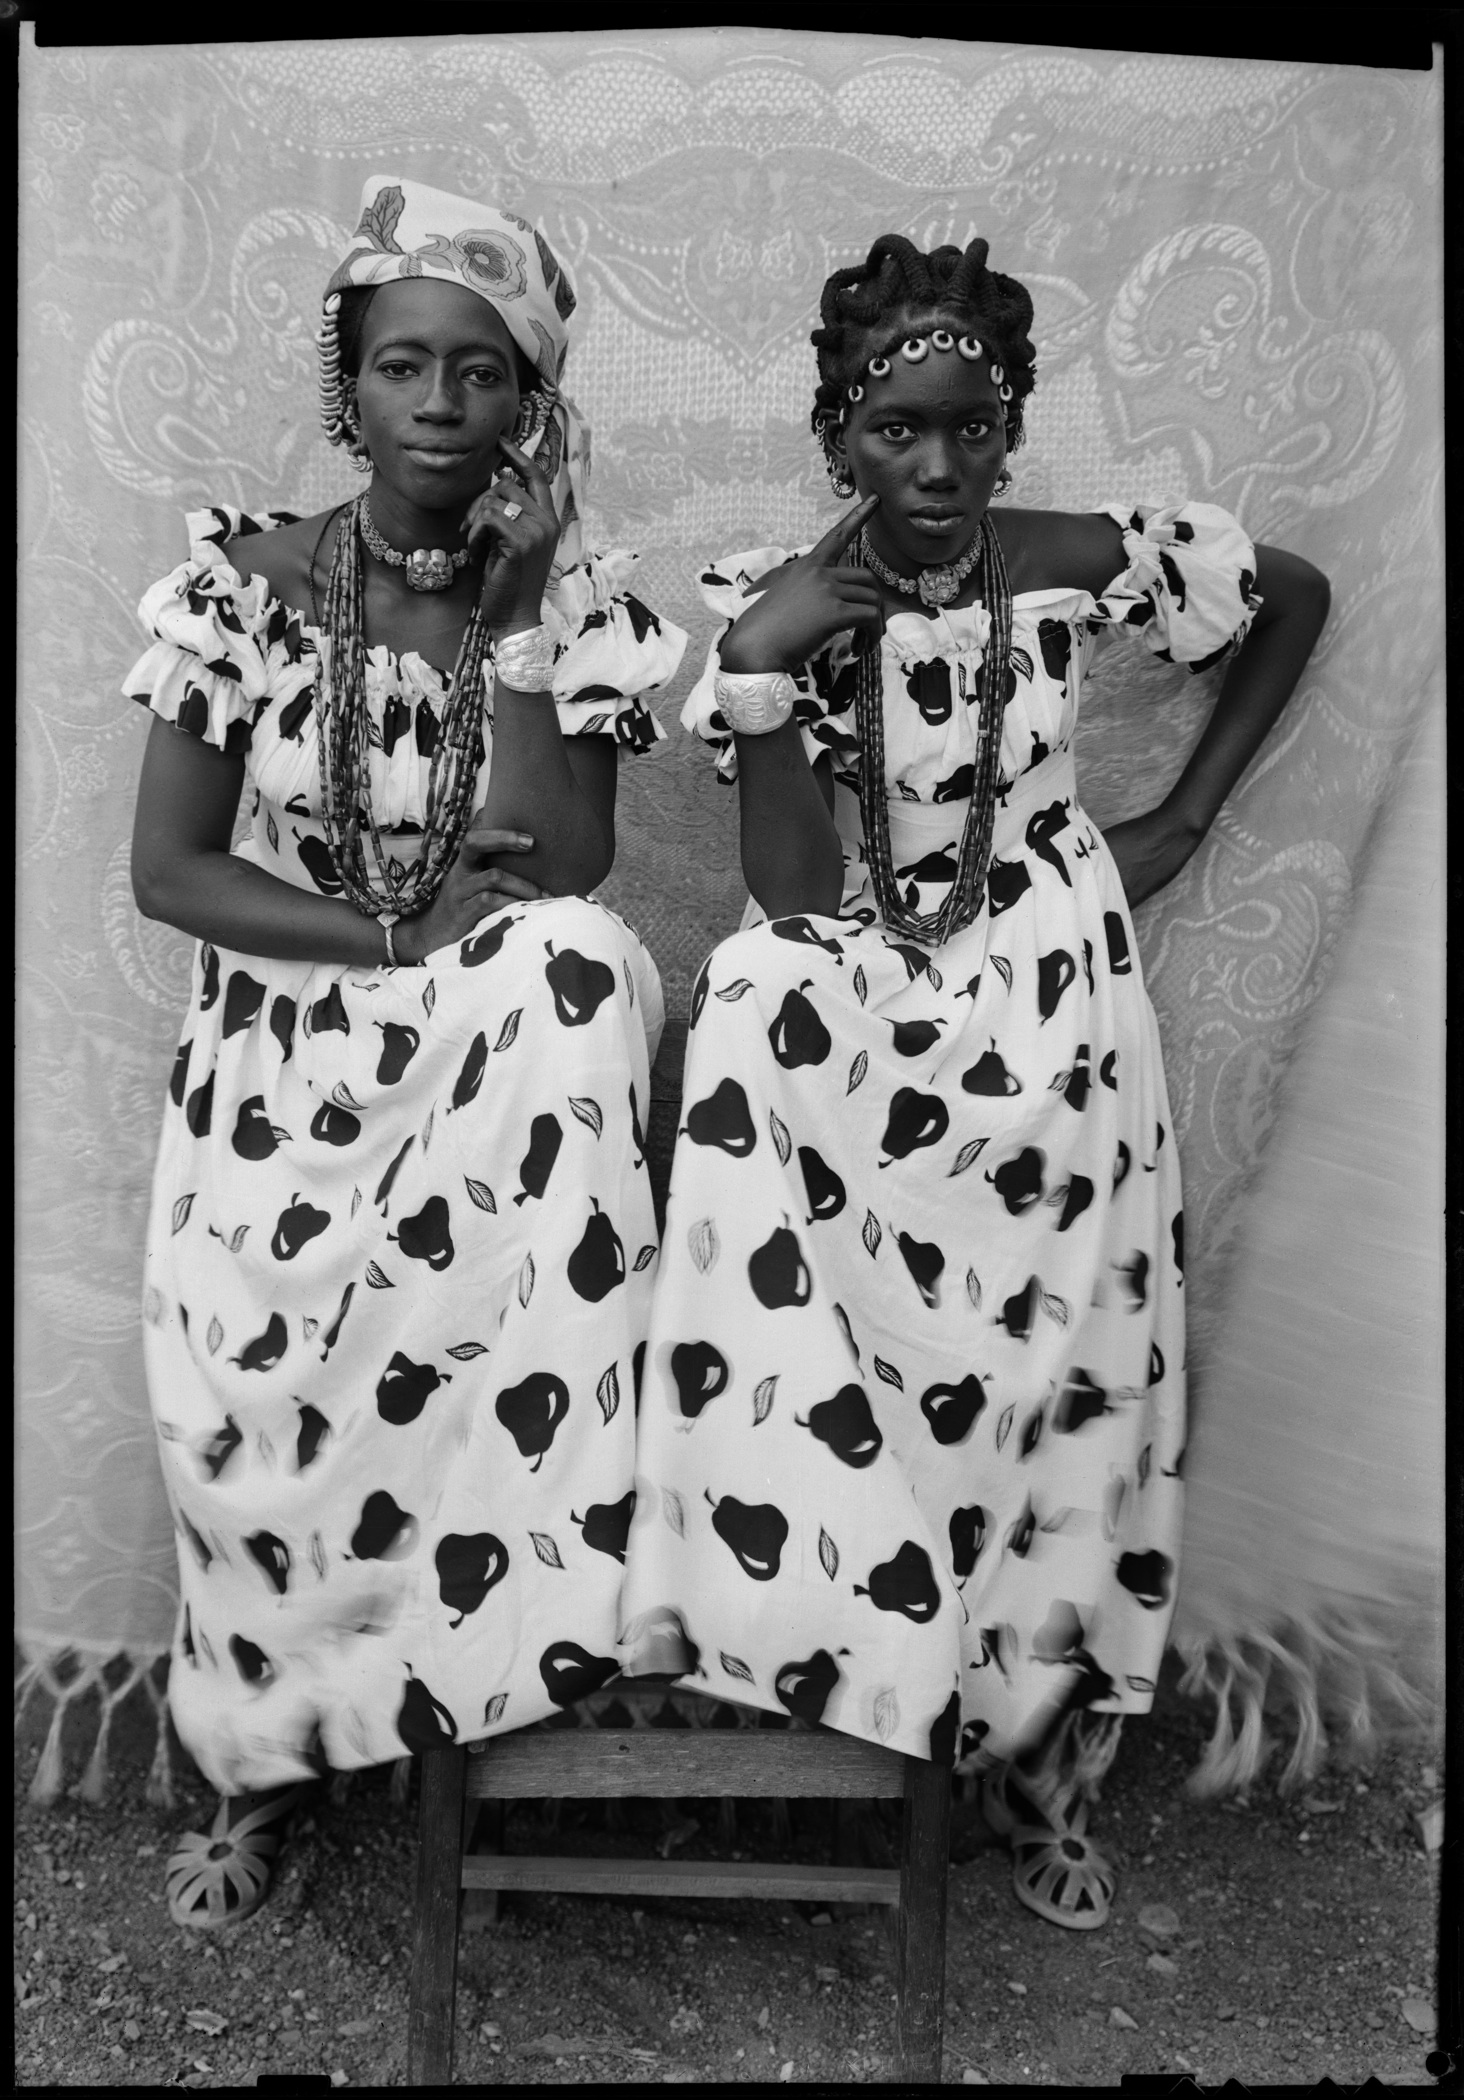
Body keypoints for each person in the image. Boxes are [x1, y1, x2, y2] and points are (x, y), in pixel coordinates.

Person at [618, 232, 1329, 1931]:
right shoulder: (774, 593)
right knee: (749, 1019)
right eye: (894, 432)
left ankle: (1035, 1745)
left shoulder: (1074, 560)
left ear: (1008, 427)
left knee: (1054, 1334)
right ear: (836, 438)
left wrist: (1181, 822)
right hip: (864, 972)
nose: (936, 468)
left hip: (1046, 968)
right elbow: (793, 899)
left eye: (971, 426)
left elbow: (1286, 593)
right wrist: (771, 665)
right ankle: (789, 1649)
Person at [125, 176, 686, 1927]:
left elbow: (565, 859)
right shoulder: (246, 587)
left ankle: (542, 1643)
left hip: (490, 1053)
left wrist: (518, 627)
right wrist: (387, 935)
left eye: (483, 375)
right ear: (346, 387)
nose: (441, 405)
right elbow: (173, 874)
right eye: (403, 368)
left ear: (534, 408)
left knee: (581, 959)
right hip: (296, 1032)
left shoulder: (568, 597)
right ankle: (255, 1759)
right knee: (257, 1378)